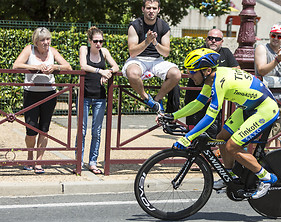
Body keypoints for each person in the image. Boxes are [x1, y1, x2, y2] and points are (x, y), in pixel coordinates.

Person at [158, 48, 279, 199]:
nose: (190, 75)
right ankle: (230, 176)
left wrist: (187, 138)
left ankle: (266, 178)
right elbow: (198, 103)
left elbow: (209, 117)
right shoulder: (211, 78)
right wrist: (173, 115)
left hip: (264, 108)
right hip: (249, 107)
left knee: (232, 146)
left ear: (207, 70)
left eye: (193, 71)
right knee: (221, 138)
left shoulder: (220, 82)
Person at [12, 27, 72, 174]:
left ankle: (39, 161)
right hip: (31, 94)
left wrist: (54, 67)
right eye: (42, 40)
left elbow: (68, 67)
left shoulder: (53, 51)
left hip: (49, 94)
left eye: (48, 39)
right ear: (36, 42)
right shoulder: (29, 49)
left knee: (44, 129)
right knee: (31, 130)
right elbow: (16, 65)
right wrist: (36, 67)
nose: (46, 42)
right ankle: (30, 156)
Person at [122, 0, 181, 114]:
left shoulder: (163, 26)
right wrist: (146, 41)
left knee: (176, 74)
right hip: (138, 59)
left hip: (157, 60)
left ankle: (157, 99)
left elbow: (166, 53)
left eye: (154, 8)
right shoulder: (134, 25)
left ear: (158, 10)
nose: (151, 11)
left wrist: (155, 43)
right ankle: (146, 98)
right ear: (143, 9)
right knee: (132, 73)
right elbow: (132, 52)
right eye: (148, 8)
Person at [77, 26, 119, 174]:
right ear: (89, 41)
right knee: (82, 131)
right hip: (84, 95)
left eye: (101, 41)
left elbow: (115, 66)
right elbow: (83, 65)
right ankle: (79, 161)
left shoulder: (104, 52)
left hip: (100, 97)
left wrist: (108, 72)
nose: (99, 44)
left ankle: (93, 162)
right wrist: (100, 70)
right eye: (95, 41)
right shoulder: (84, 49)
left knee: (97, 131)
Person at [184, 28, 240, 138]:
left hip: (215, 98)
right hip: (196, 95)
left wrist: (217, 75)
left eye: (217, 39)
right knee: (194, 131)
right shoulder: (199, 52)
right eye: (210, 38)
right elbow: (188, 69)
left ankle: (211, 153)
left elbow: (237, 69)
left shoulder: (226, 52)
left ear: (222, 41)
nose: (213, 41)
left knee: (213, 133)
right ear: (206, 40)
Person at [254, 24, 281, 147]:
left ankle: (263, 157)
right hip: (263, 98)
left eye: (279, 36)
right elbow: (261, 70)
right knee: (259, 132)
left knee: (275, 132)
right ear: (269, 36)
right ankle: (256, 160)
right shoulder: (262, 48)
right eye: (273, 35)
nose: (275, 38)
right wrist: (277, 60)